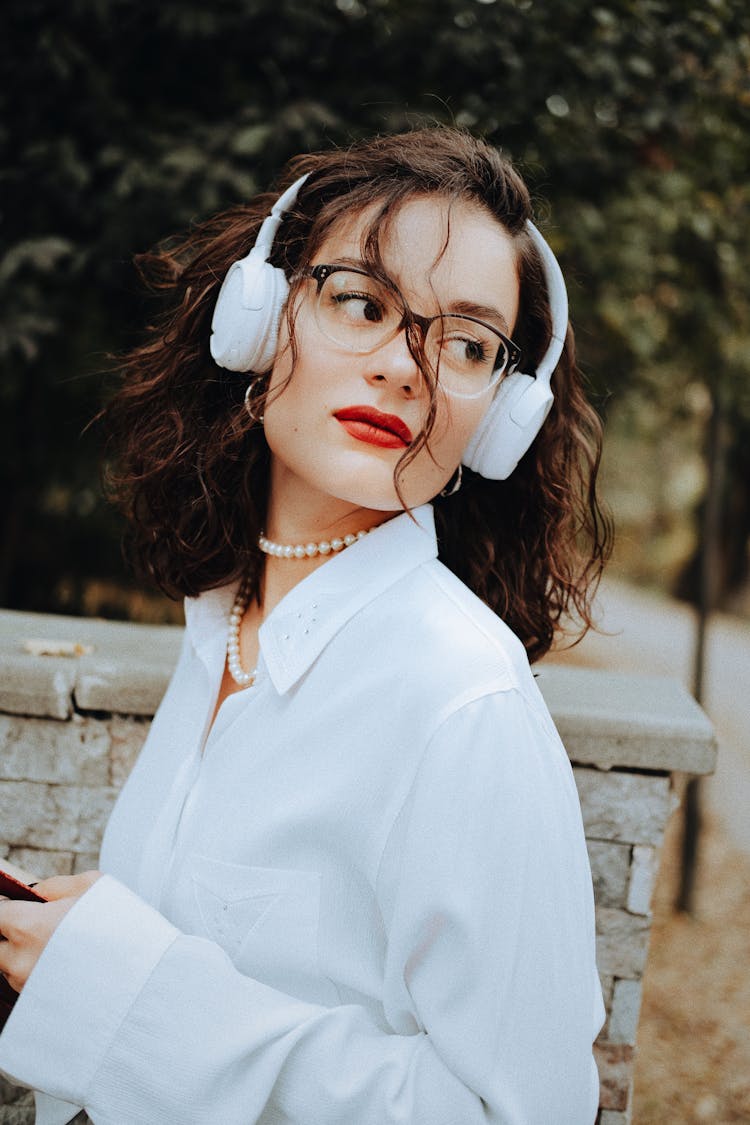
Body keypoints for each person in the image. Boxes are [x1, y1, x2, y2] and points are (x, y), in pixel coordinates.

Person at [0, 127, 611, 1124]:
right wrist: (81, 955)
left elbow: (523, 1112)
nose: (407, 367)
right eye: (363, 302)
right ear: (260, 319)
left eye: (465, 343)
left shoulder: (464, 703)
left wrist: (128, 993)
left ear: (500, 417)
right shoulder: (224, 623)